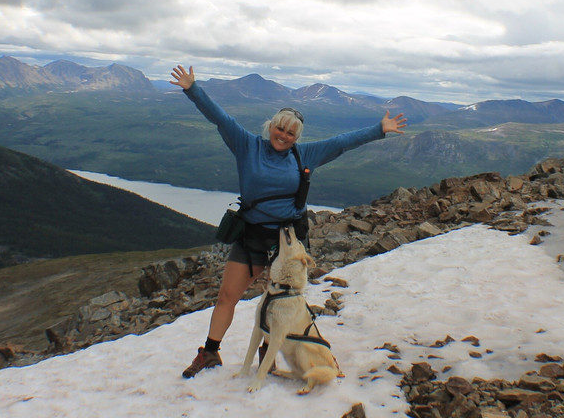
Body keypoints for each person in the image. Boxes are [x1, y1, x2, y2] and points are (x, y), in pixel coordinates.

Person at [170, 64, 407, 378]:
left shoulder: (304, 155)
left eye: (291, 132)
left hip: (289, 241)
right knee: (228, 295)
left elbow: (341, 143)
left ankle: (268, 354)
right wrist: (193, 90)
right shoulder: (247, 145)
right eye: (280, 128)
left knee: (278, 300)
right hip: (252, 234)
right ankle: (210, 353)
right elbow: (220, 118)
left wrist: (379, 129)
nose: (284, 135)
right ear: (271, 126)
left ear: (297, 137)